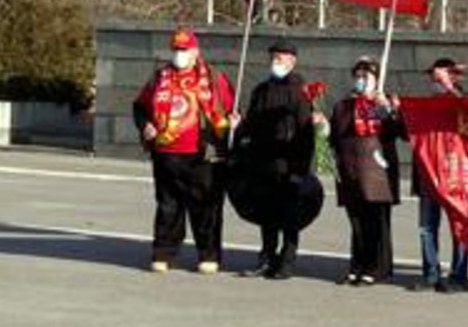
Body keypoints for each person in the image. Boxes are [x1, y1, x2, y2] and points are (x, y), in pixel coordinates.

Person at [132, 28, 235, 274]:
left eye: (184, 50)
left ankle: (208, 254)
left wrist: (233, 121)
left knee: (206, 206)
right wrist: (145, 124)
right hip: (166, 152)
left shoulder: (213, 78)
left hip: (204, 154)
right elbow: (140, 107)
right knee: (168, 205)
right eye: (176, 49)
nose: (179, 54)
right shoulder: (160, 77)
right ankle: (163, 253)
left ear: (195, 51)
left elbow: (231, 109)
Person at [233, 40, 319, 281]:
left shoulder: (300, 91)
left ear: (292, 61)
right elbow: (251, 124)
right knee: (266, 214)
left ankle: (287, 260)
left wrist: (300, 168)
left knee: (290, 215)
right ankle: (266, 257)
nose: (275, 63)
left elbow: (306, 133)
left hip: (289, 163)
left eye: (280, 58)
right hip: (262, 161)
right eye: (273, 58)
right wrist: (238, 127)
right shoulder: (261, 90)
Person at [328, 57, 404, 286]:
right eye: (358, 76)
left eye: (366, 77)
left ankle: (377, 266)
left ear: (377, 80)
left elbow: (400, 132)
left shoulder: (385, 103)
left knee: (376, 221)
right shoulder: (343, 106)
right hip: (351, 169)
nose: (361, 81)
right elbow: (335, 136)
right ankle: (357, 263)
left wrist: (389, 111)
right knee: (356, 220)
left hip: (377, 171)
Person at [411, 57, 468, 292]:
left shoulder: (467, 101)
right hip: (428, 175)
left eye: (440, 77)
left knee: (459, 227)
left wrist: (449, 88)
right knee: (427, 227)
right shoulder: (425, 106)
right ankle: (431, 273)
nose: (435, 82)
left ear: (455, 77)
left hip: (455, 174)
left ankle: (459, 275)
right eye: (433, 78)